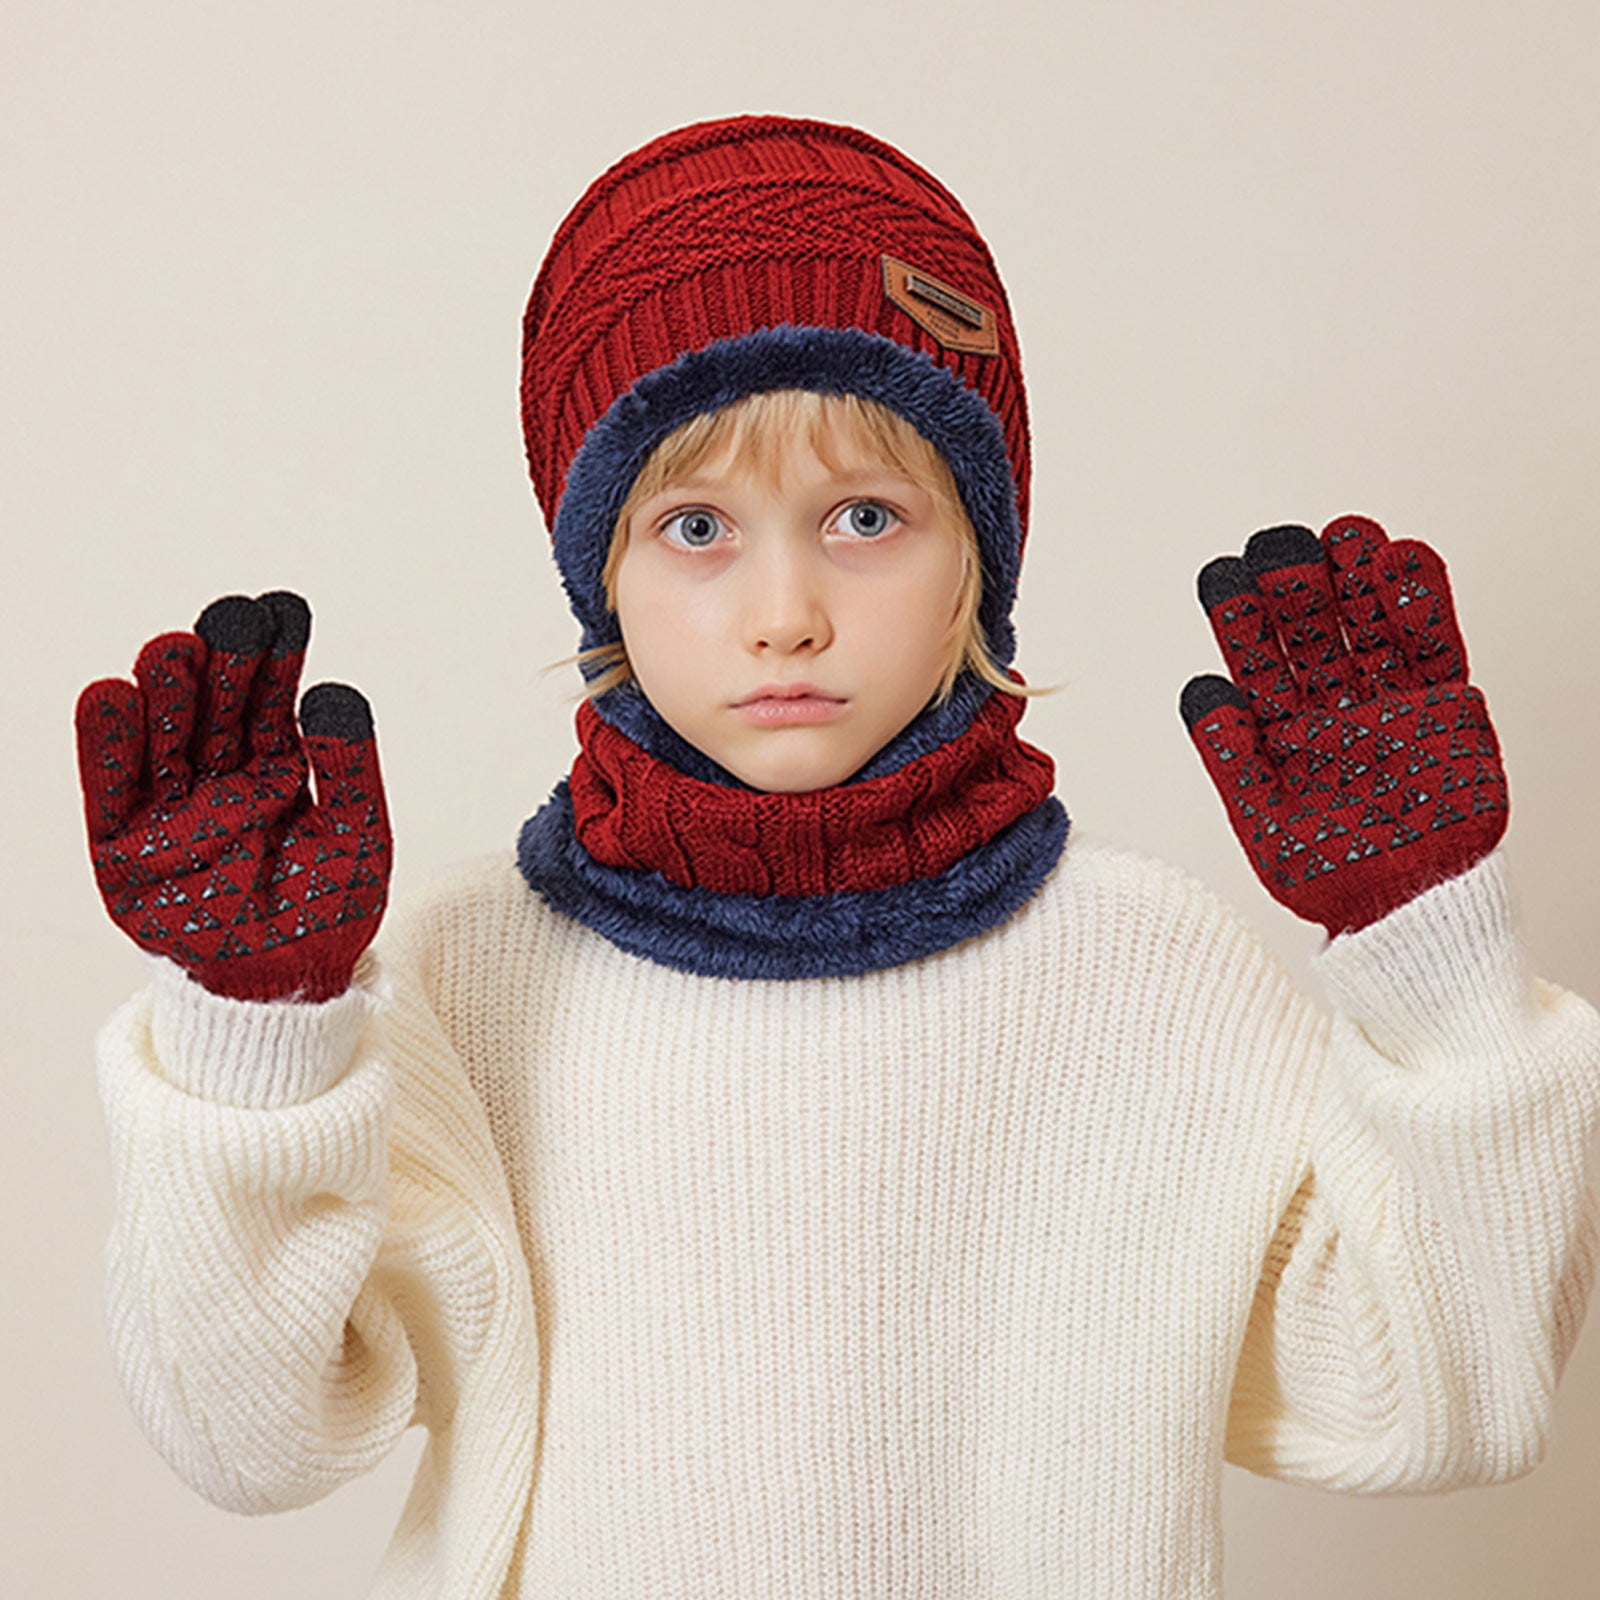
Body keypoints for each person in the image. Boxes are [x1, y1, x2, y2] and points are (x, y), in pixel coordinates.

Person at [73, 113, 1600, 1600]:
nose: (785, 608)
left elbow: (1444, 1399)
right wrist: (253, 1033)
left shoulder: (1149, 973)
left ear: (981, 554)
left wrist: (1436, 950)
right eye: (694, 528)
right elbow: (250, 1439)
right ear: (593, 568)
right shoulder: (475, 973)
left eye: (866, 514)